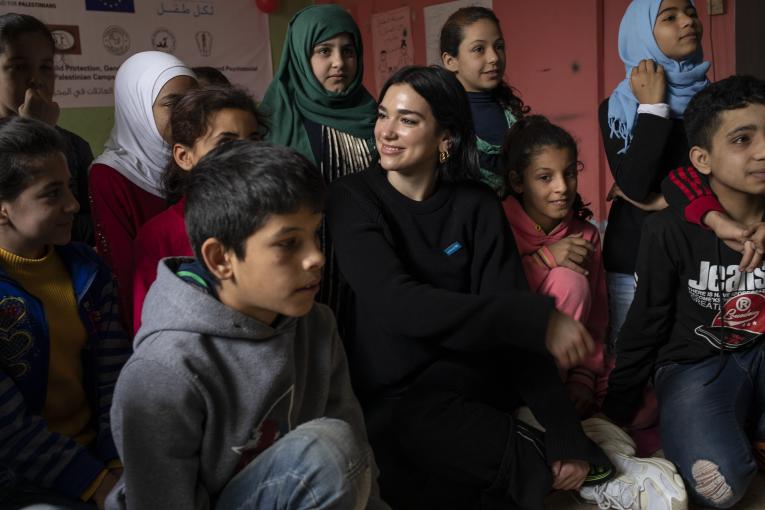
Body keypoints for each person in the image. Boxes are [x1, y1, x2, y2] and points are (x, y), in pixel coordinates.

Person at [327, 65, 685, 510]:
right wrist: (534, 317)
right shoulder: (352, 198)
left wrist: (564, 432)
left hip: (470, 380)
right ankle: (585, 467)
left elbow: (513, 334)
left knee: (462, 448)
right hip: (392, 394)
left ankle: (583, 461)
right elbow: (399, 304)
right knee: (420, 467)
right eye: (384, 115)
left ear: (445, 139)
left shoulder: (475, 204)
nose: (387, 132)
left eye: (408, 120)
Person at [108, 141, 388, 510]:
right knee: (327, 451)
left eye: (314, 234)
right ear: (220, 258)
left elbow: (358, 464)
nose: (316, 257)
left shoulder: (316, 323)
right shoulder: (162, 370)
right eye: (288, 244)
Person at [602, 74, 765, 509]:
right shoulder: (667, 231)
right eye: (742, 139)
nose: (763, 151)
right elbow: (646, 319)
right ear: (703, 158)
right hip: (695, 363)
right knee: (719, 487)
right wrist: (617, 407)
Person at [0, 117, 130, 509]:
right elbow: (9, 430)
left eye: (70, 188)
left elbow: (115, 377)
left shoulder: (87, 270)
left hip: (100, 460)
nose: (74, 205)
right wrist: (97, 484)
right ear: (3, 209)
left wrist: (118, 464)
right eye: (51, 194)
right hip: (18, 479)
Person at [262, 4, 378, 327]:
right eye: (324, 51)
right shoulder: (274, 120)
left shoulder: (377, 118)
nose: (339, 63)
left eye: (348, 51)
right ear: (301, 55)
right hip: (305, 273)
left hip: (372, 269)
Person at [132, 85, 265, 333]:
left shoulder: (271, 219)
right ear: (184, 157)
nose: (246, 153)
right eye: (226, 142)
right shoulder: (159, 235)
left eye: (254, 140)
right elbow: (148, 326)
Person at [502, 115, 606, 418]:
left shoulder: (586, 235)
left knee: (646, 407)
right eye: (545, 177)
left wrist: (583, 379)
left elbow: (597, 317)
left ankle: (554, 395)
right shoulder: (497, 221)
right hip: (504, 358)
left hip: (561, 368)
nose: (562, 187)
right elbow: (495, 296)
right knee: (567, 278)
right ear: (518, 181)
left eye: (570, 173)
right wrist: (547, 258)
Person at [89, 51, 196, 327]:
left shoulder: (196, 158)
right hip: (150, 316)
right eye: (172, 104)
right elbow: (123, 269)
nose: (188, 114)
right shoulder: (110, 174)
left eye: (194, 102)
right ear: (136, 108)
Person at [0, 13, 94, 244]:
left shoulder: (75, 146)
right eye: (19, 67)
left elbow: (89, 228)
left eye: (45, 67)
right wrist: (34, 130)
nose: (36, 79)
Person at [441, 6, 528, 195]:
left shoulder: (512, 113)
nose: (494, 57)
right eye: (478, 49)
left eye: (499, 46)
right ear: (450, 61)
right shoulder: (441, 119)